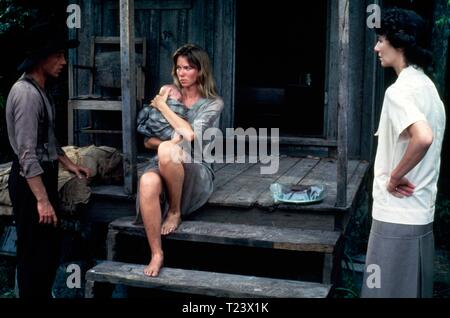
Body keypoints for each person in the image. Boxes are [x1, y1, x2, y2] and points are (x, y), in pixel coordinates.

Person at [361, 8, 446, 298]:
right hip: (421, 217)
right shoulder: (428, 88)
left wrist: (394, 177)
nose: (376, 47)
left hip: (396, 218)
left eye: (381, 39)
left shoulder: (398, 92)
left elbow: (423, 138)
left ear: (400, 43)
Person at [6, 21, 91, 299]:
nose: (63, 62)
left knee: (47, 251)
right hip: (30, 184)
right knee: (33, 256)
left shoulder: (41, 89)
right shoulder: (26, 94)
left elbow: (48, 138)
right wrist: (42, 200)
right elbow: (27, 153)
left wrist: (68, 163)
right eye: (58, 56)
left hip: (44, 178)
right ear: (41, 59)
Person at [137, 44, 224, 277]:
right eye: (179, 68)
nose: (182, 73)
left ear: (200, 71)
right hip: (166, 161)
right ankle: (156, 253)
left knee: (167, 148)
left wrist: (163, 107)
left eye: (188, 68)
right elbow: (147, 142)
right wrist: (170, 143)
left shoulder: (213, 103)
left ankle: (174, 211)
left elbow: (190, 135)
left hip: (197, 166)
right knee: (147, 182)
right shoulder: (169, 92)